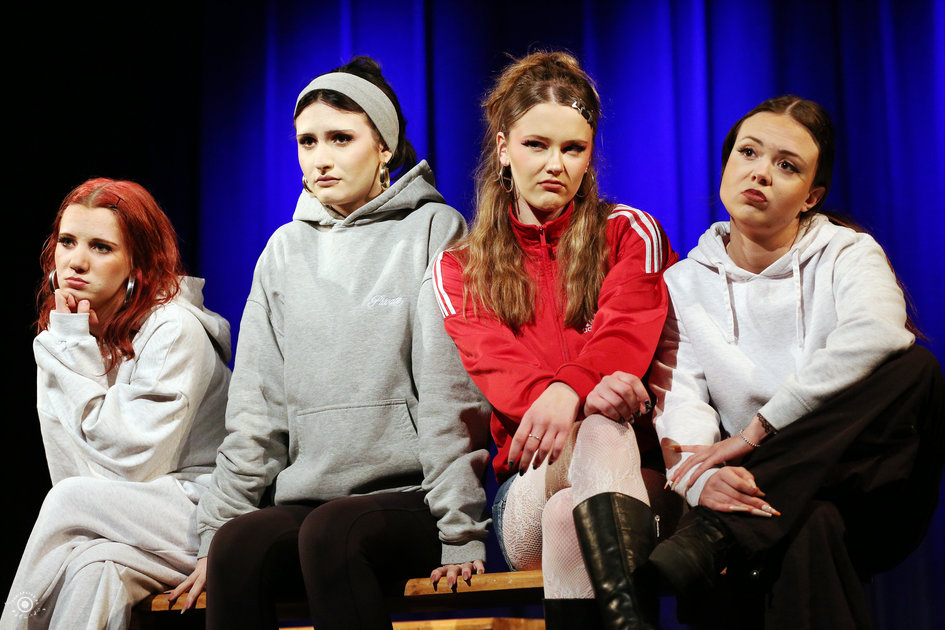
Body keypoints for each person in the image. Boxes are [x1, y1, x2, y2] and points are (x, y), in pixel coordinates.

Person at [168, 56, 491, 630]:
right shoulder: (283, 251)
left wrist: (460, 528)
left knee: (332, 534)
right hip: (308, 497)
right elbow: (256, 410)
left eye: (341, 138)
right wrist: (214, 532)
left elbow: (450, 394)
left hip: (411, 497)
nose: (320, 157)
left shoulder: (434, 230)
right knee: (237, 547)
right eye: (307, 141)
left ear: (384, 147)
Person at [647, 95, 945, 629]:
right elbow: (680, 399)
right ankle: (727, 531)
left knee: (916, 370)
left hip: (871, 492)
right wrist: (699, 483)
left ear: (811, 197)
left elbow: (879, 332)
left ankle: (716, 534)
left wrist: (758, 431)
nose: (761, 172)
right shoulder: (683, 284)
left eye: (786, 165)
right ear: (726, 164)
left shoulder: (848, 252)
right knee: (811, 521)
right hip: (761, 499)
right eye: (748, 153)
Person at [431, 51, 677, 630]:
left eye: (573, 149)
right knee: (594, 435)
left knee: (573, 508)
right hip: (528, 484)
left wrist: (571, 391)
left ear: (590, 157)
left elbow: (627, 329)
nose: (554, 164)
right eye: (536, 145)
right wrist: (584, 391)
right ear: (503, 149)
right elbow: (505, 377)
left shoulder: (629, 232)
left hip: (639, 478)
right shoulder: (460, 268)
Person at [1, 178, 231, 630]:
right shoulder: (65, 334)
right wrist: (70, 344)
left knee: (68, 501)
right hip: (118, 518)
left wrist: (73, 348)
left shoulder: (174, 329)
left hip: (196, 511)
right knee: (95, 568)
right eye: (67, 241)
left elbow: (131, 465)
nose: (76, 261)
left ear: (138, 262)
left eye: (101, 247)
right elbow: (71, 465)